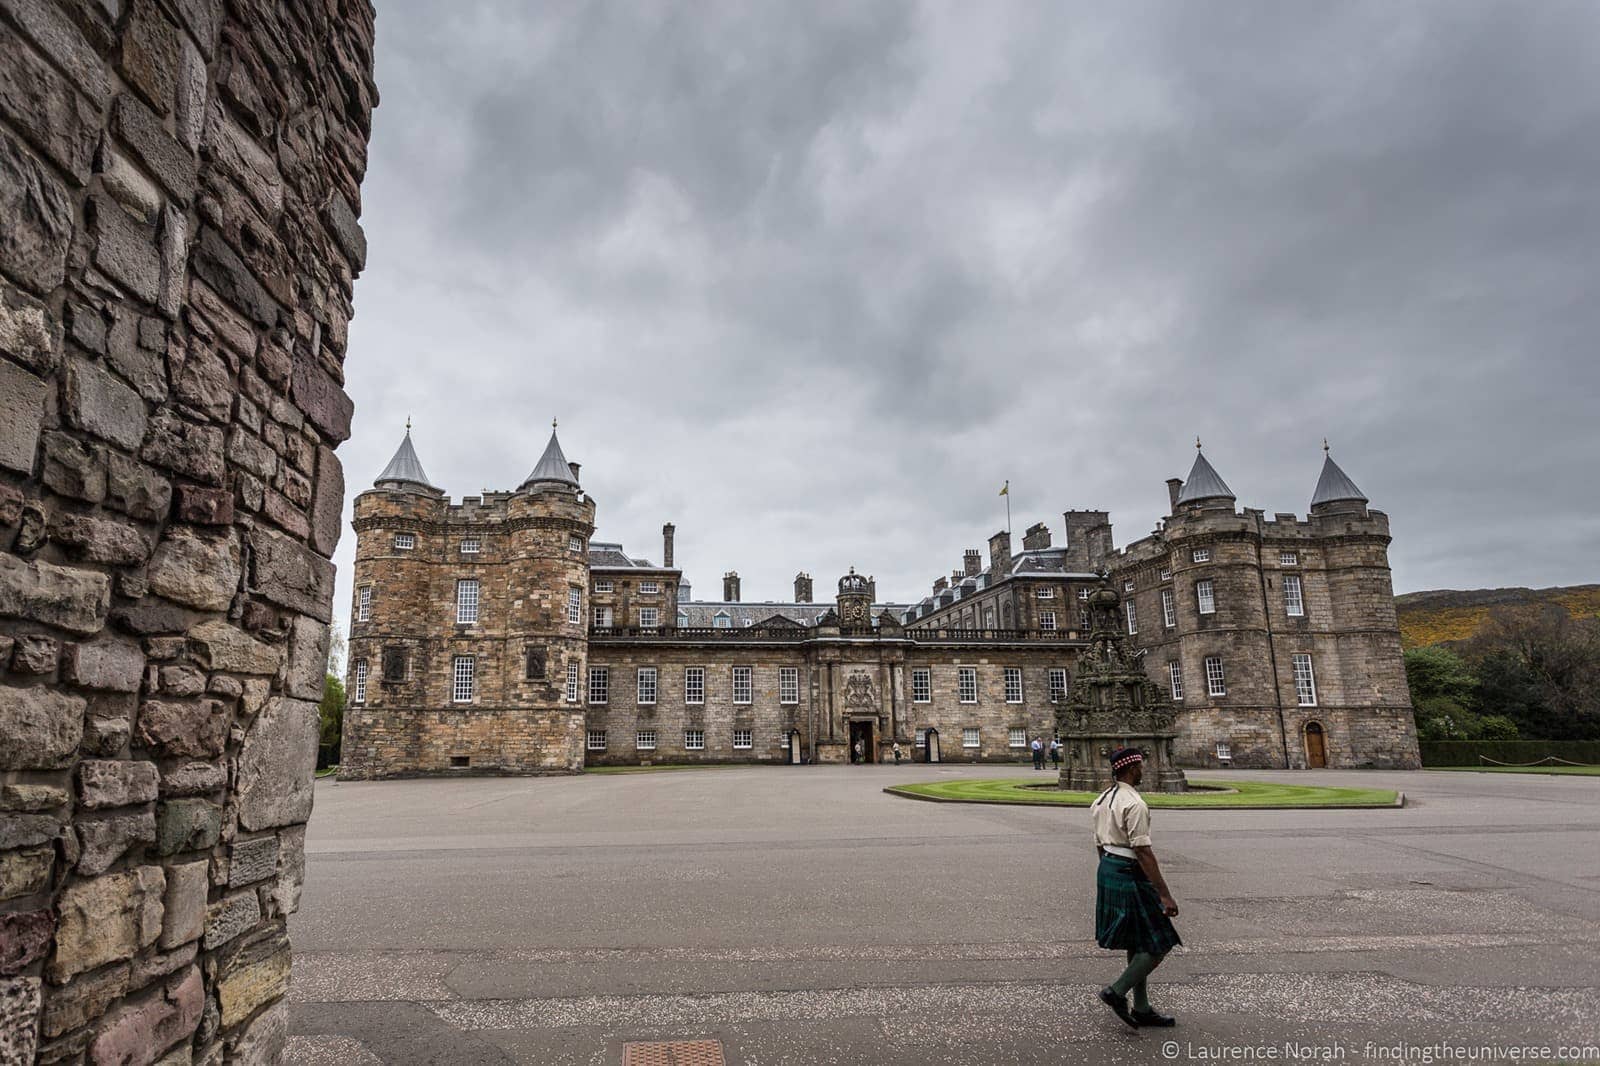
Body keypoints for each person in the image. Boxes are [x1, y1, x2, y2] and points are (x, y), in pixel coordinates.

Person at [1089, 747, 1180, 1029]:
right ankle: (1116, 991)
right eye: (1140, 766)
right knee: (1159, 943)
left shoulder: (1102, 798)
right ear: (1131, 769)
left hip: (1108, 867)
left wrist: (1109, 869)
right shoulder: (1135, 804)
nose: (1143, 770)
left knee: (1137, 940)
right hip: (1129, 870)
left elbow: (1099, 844)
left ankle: (1141, 1007)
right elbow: (1142, 850)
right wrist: (1164, 893)